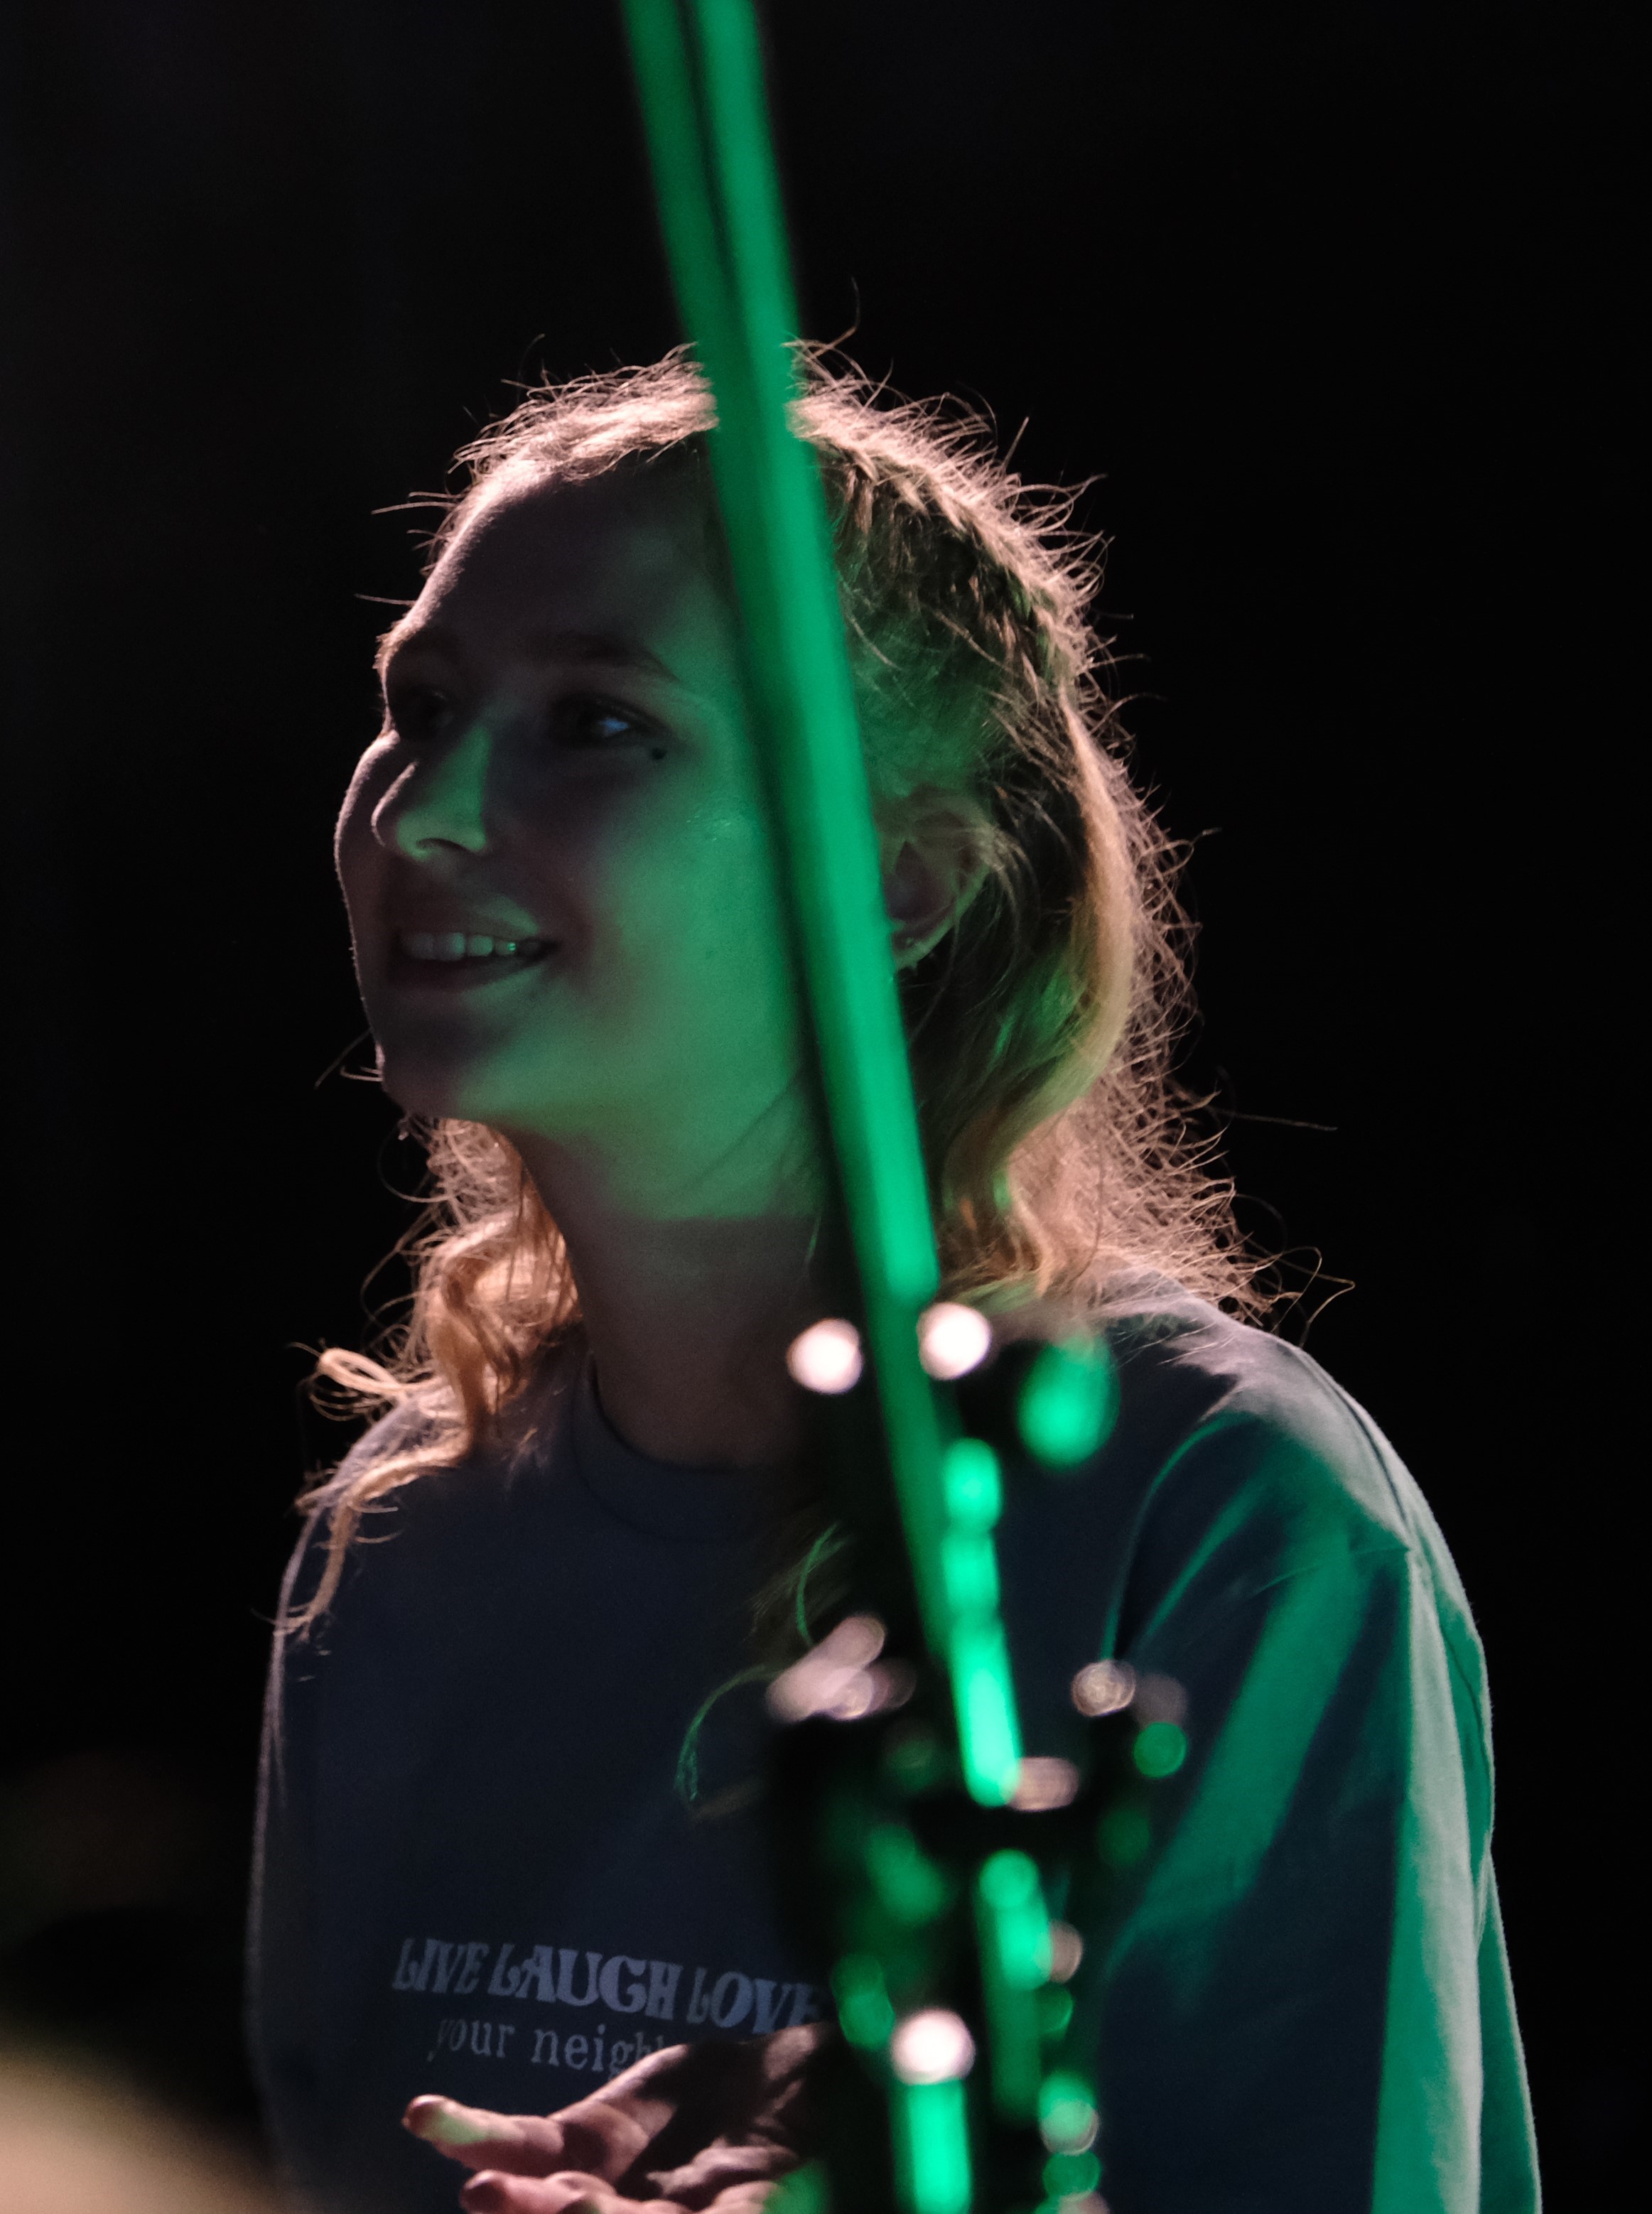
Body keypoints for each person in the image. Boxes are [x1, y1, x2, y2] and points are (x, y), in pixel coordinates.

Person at [248, 353, 1540, 2214]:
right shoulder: (397, 1539)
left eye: (595, 720)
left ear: (903, 877)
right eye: (421, 704)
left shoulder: (1220, 1505)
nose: (424, 809)